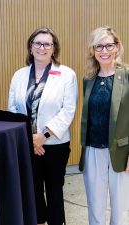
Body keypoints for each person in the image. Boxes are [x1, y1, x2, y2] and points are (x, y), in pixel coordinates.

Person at [8, 27, 78, 225]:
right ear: (30, 47)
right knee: (33, 190)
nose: (42, 47)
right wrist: (30, 138)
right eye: (37, 43)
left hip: (55, 144)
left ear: (54, 49)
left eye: (47, 44)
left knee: (55, 190)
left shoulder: (66, 74)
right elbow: (12, 108)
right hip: (26, 144)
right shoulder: (19, 75)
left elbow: (68, 110)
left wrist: (43, 136)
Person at [80, 26, 129, 225]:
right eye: (99, 46)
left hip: (120, 151)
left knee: (120, 210)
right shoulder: (88, 79)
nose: (104, 51)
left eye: (109, 45)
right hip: (93, 149)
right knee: (95, 208)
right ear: (93, 50)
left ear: (117, 47)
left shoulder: (126, 75)